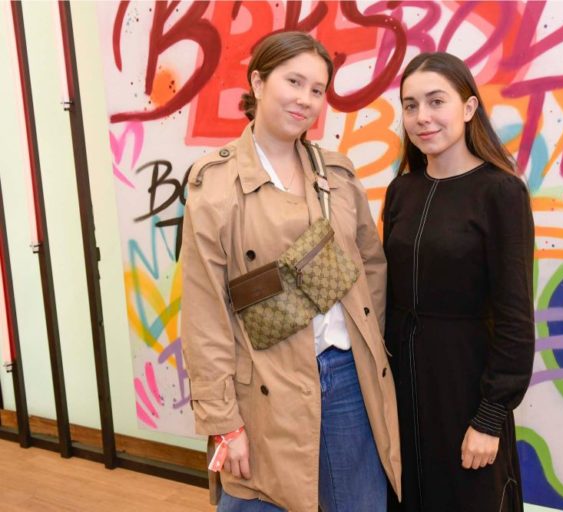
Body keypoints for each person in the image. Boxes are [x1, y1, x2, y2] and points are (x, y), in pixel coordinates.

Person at [181, 31, 400, 512]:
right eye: (294, 82)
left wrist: (366, 343)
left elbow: (371, 267)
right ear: (258, 82)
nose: (305, 99)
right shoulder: (214, 186)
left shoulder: (338, 176)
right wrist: (223, 420)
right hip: (264, 386)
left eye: (317, 90)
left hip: (348, 378)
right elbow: (204, 314)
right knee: (259, 499)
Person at [382, 52, 535, 511]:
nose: (422, 117)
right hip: (402, 387)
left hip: (465, 385)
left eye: (436, 102)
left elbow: (515, 317)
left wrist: (490, 417)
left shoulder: (501, 192)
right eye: (410, 105)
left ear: (468, 108)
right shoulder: (401, 190)